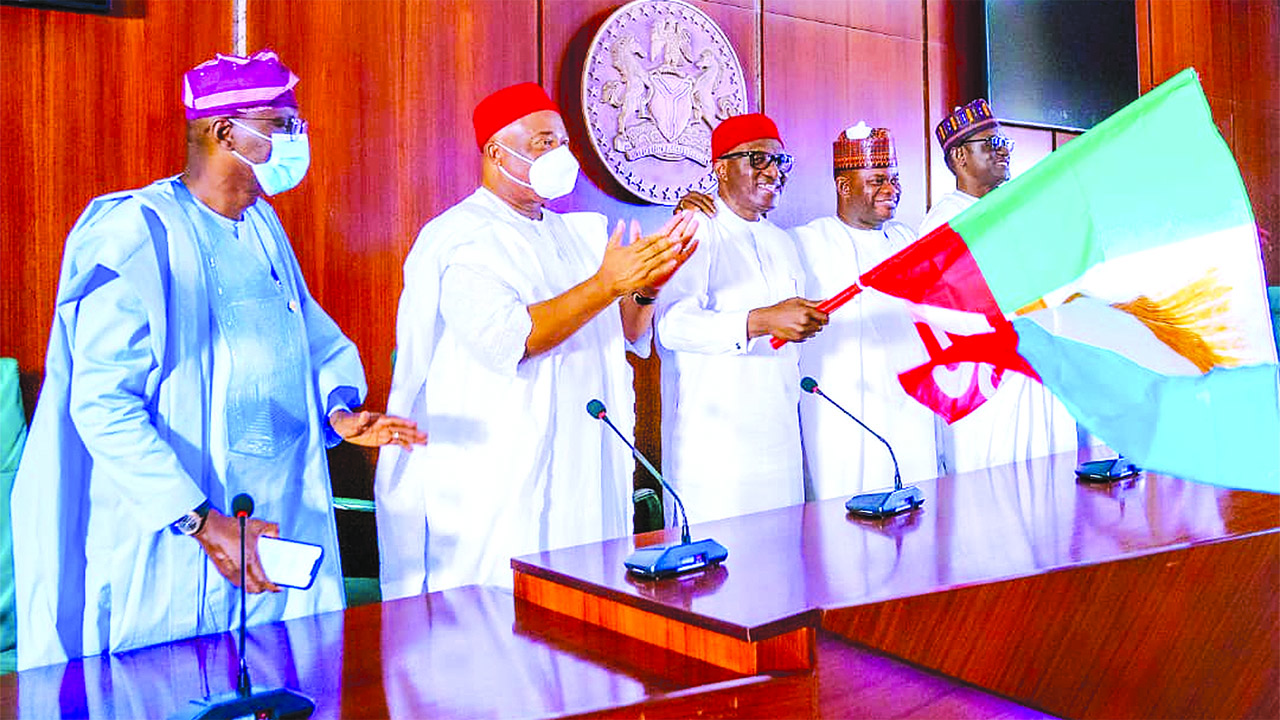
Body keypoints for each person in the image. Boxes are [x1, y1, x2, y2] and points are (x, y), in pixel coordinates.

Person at [10, 50, 424, 671]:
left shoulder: (260, 225)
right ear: (226, 131)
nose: (297, 138)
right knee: (170, 691)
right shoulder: (135, 233)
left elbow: (304, 337)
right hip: (177, 538)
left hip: (275, 521)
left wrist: (336, 410)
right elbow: (102, 404)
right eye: (282, 123)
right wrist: (201, 521)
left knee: (287, 685)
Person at [374, 82, 698, 599]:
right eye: (543, 143)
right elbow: (509, 340)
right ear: (496, 153)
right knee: (502, 614)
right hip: (501, 463)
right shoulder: (461, 238)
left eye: (563, 142)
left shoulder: (576, 235)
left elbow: (627, 333)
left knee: (588, 605)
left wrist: (645, 289)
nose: (559, 154)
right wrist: (607, 283)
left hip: (582, 459)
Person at [655, 113, 827, 525]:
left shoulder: (782, 242)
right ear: (721, 168)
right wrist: (759, 321)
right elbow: (672, 325)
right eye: (758, 159)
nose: (773, 171)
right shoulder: (696, 227)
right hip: (718, 449)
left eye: (780, 161)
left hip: (780, 439)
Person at [919, 99, 1076, 474]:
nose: (1003, 151)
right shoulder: (944, 223)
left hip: (1037, 366)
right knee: (997, 491)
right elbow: (944, 307)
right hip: (987, 380)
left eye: (1004, 142)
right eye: (991, 144)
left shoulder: (1013, 211)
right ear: (959, 156)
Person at [792, 123, 939, 500]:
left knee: (916, 502)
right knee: (846, 513)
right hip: (844, 413)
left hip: (910, 405)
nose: (891, 189)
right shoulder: (806, 242)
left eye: (894, 179)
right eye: (877, 180)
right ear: (844, 187)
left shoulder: (907, 239)